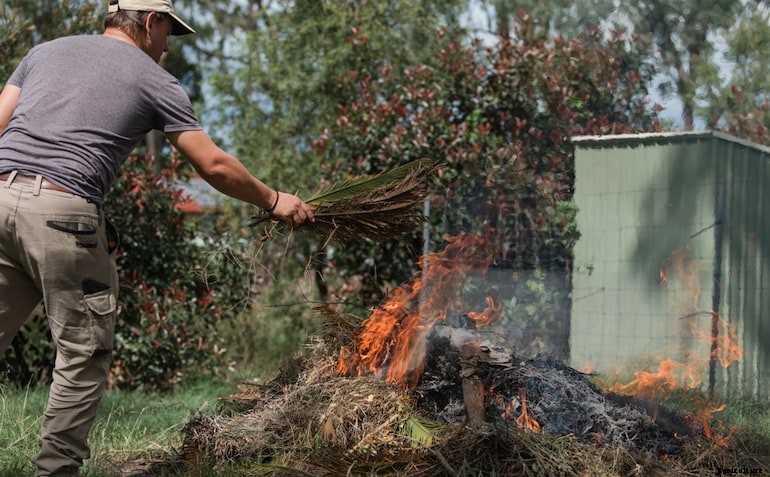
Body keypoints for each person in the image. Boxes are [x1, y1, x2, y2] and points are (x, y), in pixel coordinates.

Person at [0, 0, 314, 474]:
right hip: (62, 213)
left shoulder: (44, 52)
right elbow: (212, 165)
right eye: (169, 33)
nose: (168, 48)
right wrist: (273, 199)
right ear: (151, 23)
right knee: (84, 352)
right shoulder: (154, 79)